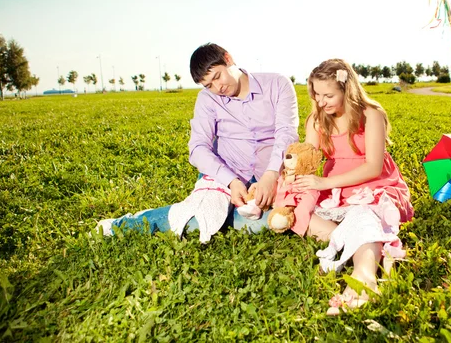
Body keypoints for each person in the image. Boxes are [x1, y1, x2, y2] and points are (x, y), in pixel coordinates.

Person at [95, 43, 299, 239]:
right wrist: (231, 181)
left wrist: (271, 175)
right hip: (228, 175)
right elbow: (197, 148)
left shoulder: (277, 84)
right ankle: (124, 224)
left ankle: (220, 215)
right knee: (196, 222)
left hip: (275, 172)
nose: (218, 88)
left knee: (271, 223)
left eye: (217, 77)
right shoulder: (207, 99)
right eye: (209, 85)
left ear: (228, 59)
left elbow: (286, 133)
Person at [292, 59, 414, 314]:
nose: (321, 101)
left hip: (371, 183)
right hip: (335, 188)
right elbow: (310, 156)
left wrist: (325, 182)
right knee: (296, 209)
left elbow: (373, 167)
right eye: (316, 94)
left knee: (363, 213)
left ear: (346, 90)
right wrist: (295, 171)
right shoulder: (317, 118)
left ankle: (364, 274)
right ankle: (361, 242)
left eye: (328, 95)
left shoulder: (371, 114)